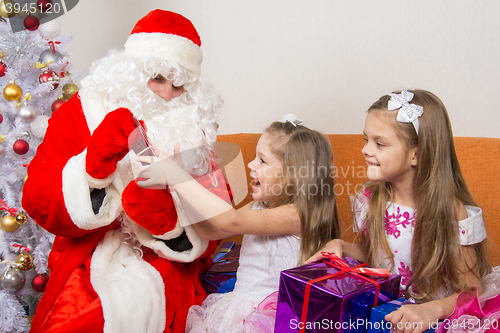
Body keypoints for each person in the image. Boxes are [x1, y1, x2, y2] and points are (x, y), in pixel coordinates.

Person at [22, 9, 228, 333]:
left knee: (146, 307)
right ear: (129, 72)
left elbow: (215, 224)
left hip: (164, 262)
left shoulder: (193, 129)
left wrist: (169, 225)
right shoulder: (80, 113)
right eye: (158, 78)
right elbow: (35, 196)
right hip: (89, 252)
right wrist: (91, 172)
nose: (167, 93)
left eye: (179, 85)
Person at [306, 89, 497, 333]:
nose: (365, 150)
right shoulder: (370, 199)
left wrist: (431, 310)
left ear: (415, 154)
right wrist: (341, 246)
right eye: (366, 140)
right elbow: (375, 254)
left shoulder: (450, 212)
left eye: (380, 143)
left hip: (434, 319)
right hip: (384, 313)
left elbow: (473, 290)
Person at [136, 116, 341, 332]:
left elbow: (229, 221)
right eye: (255, 156)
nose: (251, 164)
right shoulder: (258, 206)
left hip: (269, 318)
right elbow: (211, 230)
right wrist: (181, 184)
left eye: (262, 160)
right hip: (238, 308)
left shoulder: (298, 215)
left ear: (292, 175)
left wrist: (179, 178)